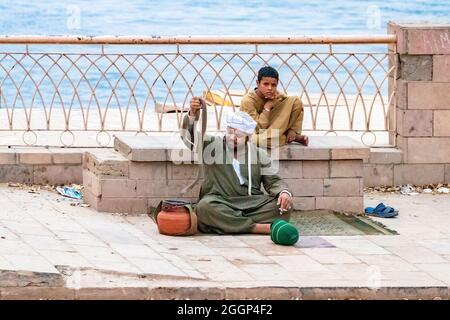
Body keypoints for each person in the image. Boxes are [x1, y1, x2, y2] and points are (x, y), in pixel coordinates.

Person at [180, 97, 294, 235]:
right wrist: (193, 114)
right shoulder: (212, 145)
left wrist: (284, 193)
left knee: (283, 207)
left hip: (252, 203)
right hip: (221, 201)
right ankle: (257, 227)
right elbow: (189, 138)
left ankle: (229, 223)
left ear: (248, 137)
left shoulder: (259, 154)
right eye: (230, 132)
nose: (233, 138)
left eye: (239, 135)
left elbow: (273, 181)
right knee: (204, 208)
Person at [240, 66, 309, 148]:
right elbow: (257, 129)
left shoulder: (276, 95)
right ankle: (287, 137)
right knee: (257, 140)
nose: (270, 88)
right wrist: (267, 107)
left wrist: (293, 129)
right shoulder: (248, 101)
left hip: (272, 129)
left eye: (273, 85)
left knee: (295, 101)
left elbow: (291, 106)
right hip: (255, 132)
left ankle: (290, 134)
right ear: (258, 83)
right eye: (265, 84)